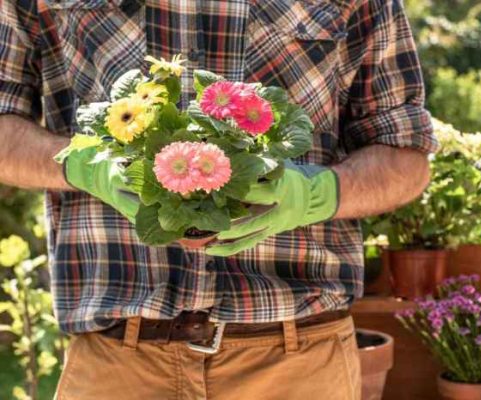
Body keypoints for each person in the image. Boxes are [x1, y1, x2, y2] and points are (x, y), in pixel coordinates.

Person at [0, 1, 437, 399]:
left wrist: (316, 193)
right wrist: (82, 165)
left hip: (297, 362)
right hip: (118, 364)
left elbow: (404, 155)